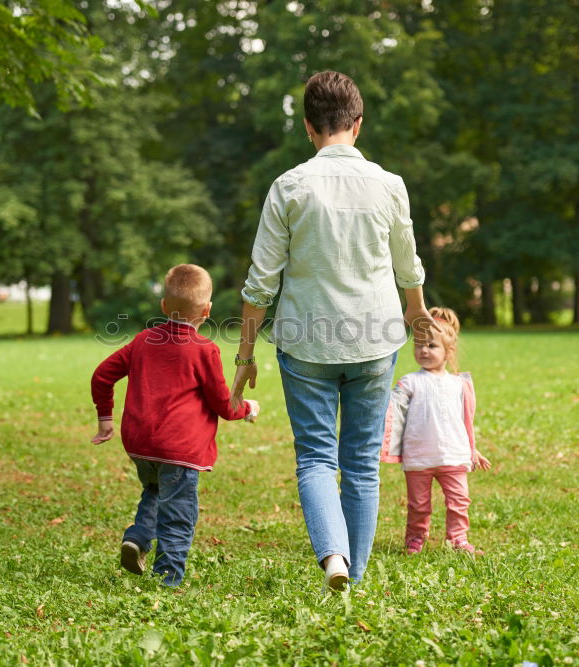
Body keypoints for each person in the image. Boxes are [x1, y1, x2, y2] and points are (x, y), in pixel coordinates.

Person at [230, 71, 430, 590]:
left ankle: (333, 558)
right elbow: (407, 266)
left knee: (316, 458)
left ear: (308, 127)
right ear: (357, 125)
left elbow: (259, 285)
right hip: (374, 340)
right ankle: (354, 578)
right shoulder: (390, 185)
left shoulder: (289, 186)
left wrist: (245, 355)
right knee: (361, 466)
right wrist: (417, 313)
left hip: (306, 343)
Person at [91, 264, 260, 586]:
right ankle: (167, 581)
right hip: (179, 449)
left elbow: (102, 375)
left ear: (164, 306)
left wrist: (105, 419)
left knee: (155, 489)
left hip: (140, 446)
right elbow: (223, 405)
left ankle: (138, 537)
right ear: (207, 310)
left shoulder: (143, 341)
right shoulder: (204, 350)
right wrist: (247, 408)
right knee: (178, 515)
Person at [380, 307, 491, 555]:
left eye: (431, 345)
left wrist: (473, 449)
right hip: (419, 457)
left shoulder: (459, 385)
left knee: (459, 501)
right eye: (419, 345)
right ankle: (415, 539)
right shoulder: (410, 382)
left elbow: (463, 422)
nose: (424, 350)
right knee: (418, 504)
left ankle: (458, 539)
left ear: (448, 351)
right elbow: (390, 409)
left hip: (453, 455)